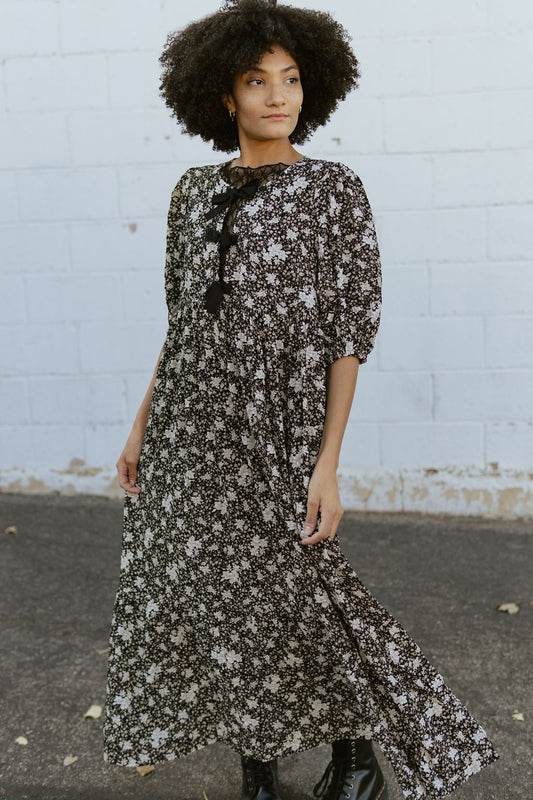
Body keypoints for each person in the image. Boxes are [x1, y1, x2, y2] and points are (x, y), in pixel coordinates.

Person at [102, 1, 499, 798]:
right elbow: (183, 323)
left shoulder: (332, 189)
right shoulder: (190, 192)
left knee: (297, 591)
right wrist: (141, 425)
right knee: (215, 595)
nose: (277, 97)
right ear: (225, 94)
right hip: (190, 424)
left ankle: (357, 756)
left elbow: (349, 334)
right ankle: (258, 768)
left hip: (276, 424)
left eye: (290, 80)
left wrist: (327, 462)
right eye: (257, 81)